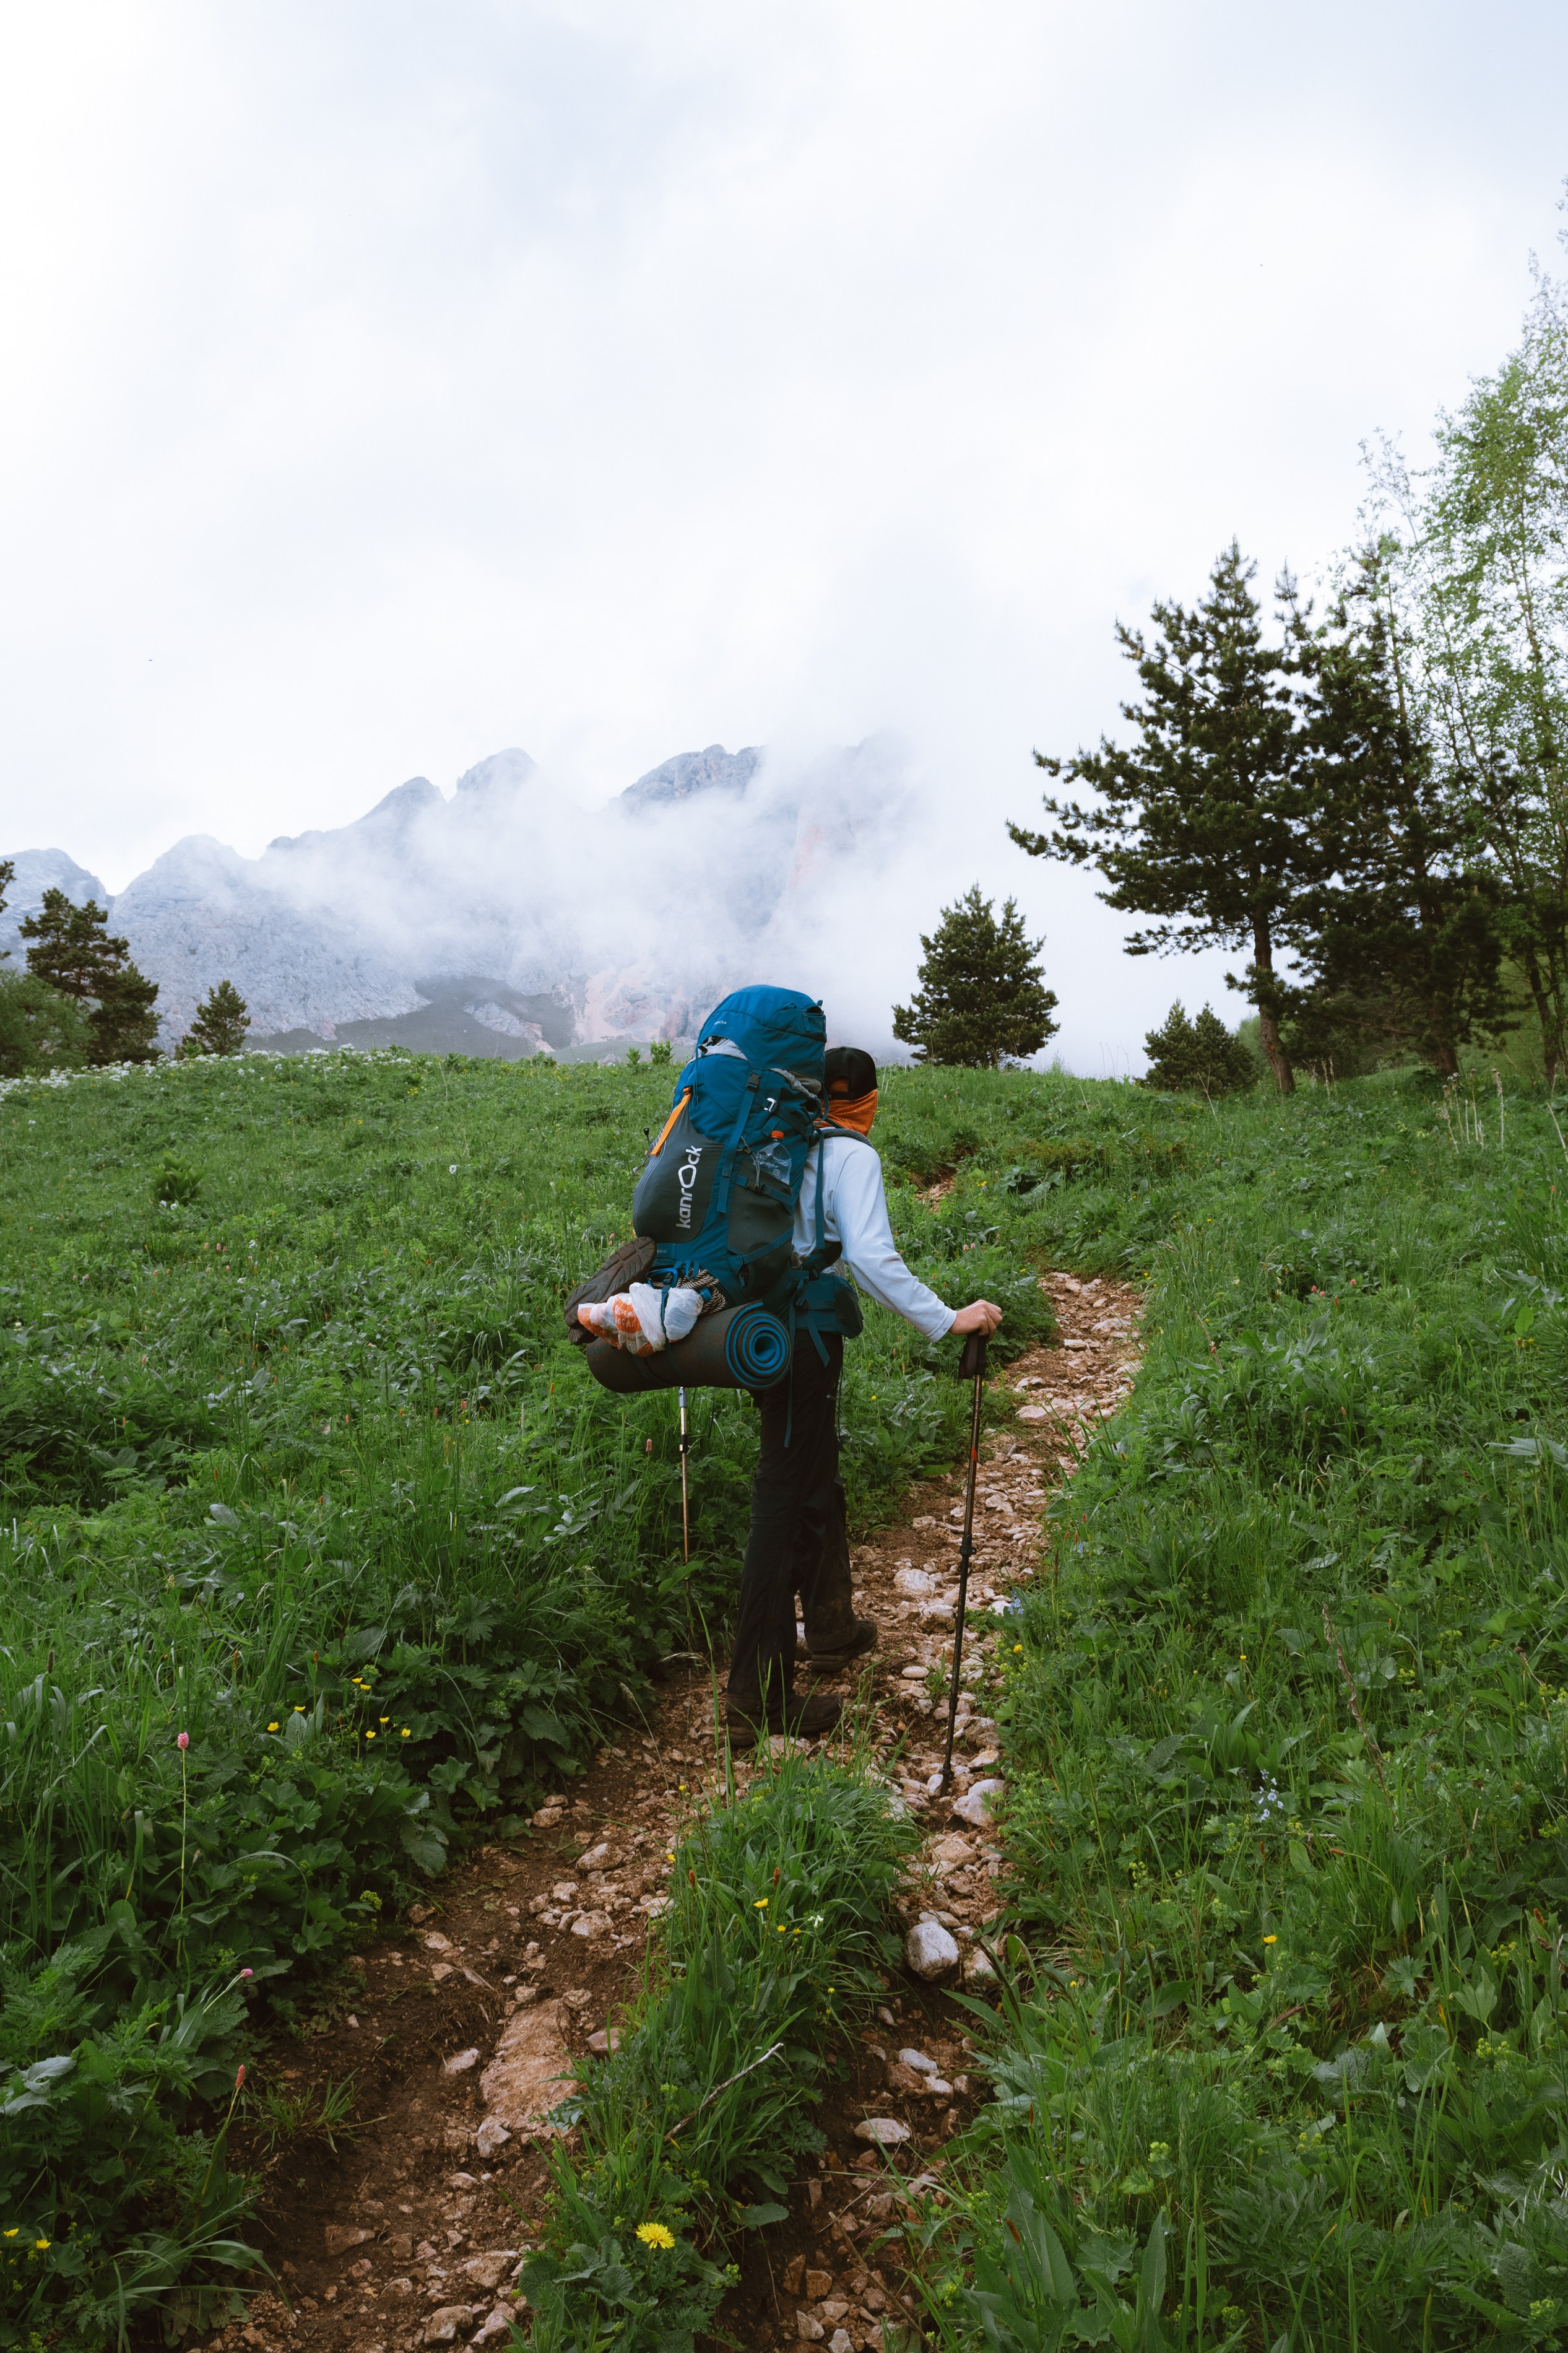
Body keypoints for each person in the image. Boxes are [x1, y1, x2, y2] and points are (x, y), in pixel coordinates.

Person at [725, 1046, 1003, 1737]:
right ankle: (753, 1696)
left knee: (814, 1477)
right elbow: (872, 1257)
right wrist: (948, 1319)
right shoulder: (852, 1156)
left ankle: (829, 1626)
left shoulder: (772, 1141)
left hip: (755, 1332)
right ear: (870, 1103)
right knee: (782, 1498)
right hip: (804, 1341)